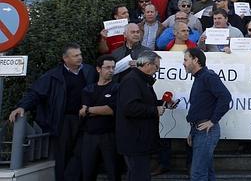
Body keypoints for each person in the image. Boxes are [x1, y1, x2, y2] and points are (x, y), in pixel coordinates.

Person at [9, 43, 98, 181]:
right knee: (63, 155)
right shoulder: (53, 76)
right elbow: (36, 93)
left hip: (86, 119)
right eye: (75, 56)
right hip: (64, 121)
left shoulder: (89, 71)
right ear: (65, 58)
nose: (79, 58)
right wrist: (22, 107)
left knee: (83, 153)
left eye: (80, 54)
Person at [183, 48, 232, 181]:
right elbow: (199, 107)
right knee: (206, 173)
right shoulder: (200, 77)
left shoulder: (208, 76)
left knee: (198, 174)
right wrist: (192, 131)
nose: (183, 63)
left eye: (186, 59)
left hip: (206, 131)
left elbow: (226, 97)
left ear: (196, 60)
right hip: (199, 130)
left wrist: (213, 121)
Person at [116, 51, 165, 181]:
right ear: (148, 64)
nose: (157, 70)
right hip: (134, 140)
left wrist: (163, 103)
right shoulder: (132, 80)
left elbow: (144, 102)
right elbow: (130, 108)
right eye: (156, 67)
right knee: (139, 176)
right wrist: (155, 110)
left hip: (139, 140)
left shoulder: (140, 80)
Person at [80, 55, 119, 181]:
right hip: (89, 136)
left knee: (113, 172)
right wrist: (91, 110)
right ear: (98, 69)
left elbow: (111, 110)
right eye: (107, 67)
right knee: (88, 172)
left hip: (110, 136)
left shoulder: (117, 88)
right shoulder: (88, 88)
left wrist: (89, 109)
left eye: (113, 67)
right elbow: (82, 112)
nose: (111, 70)